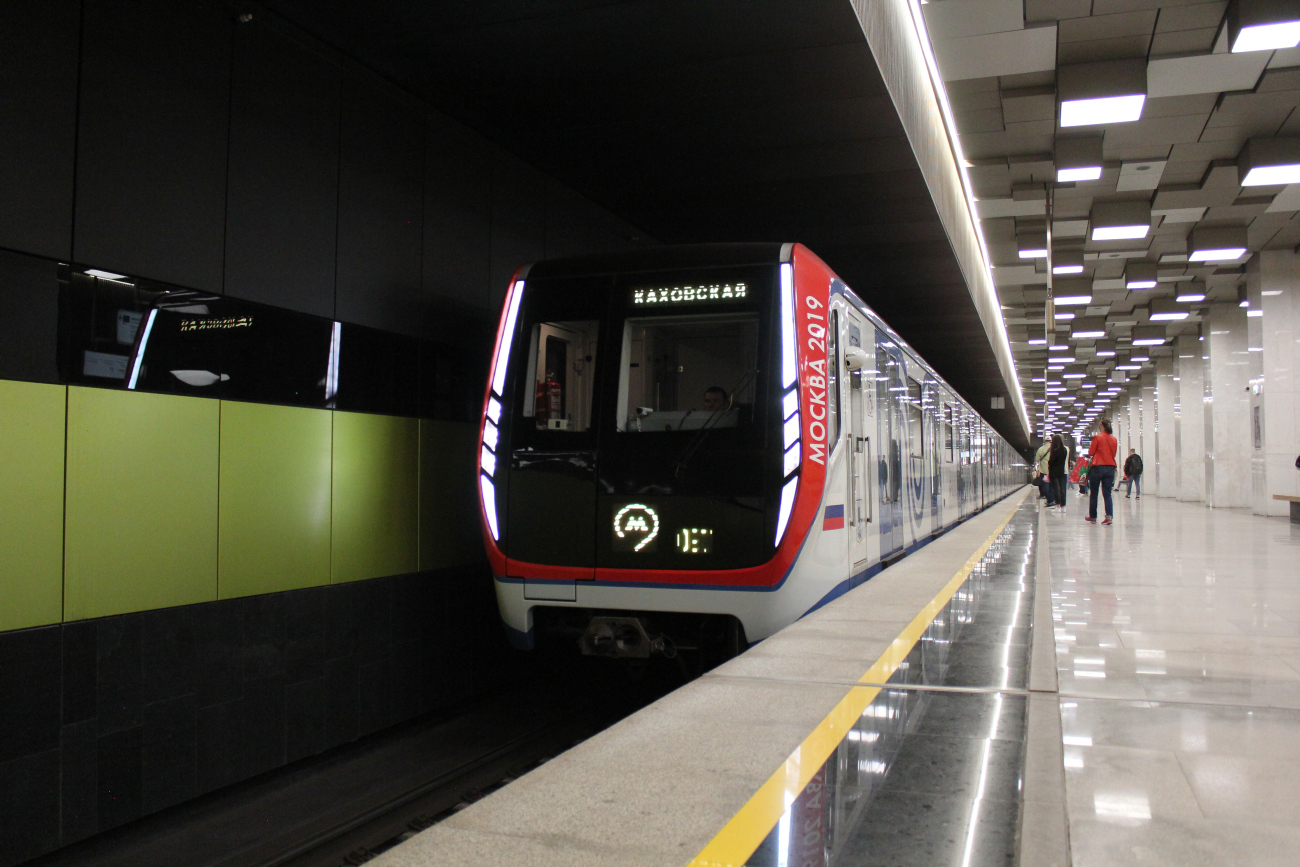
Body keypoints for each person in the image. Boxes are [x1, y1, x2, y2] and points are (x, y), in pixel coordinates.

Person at [1086, 418, 1119, 525]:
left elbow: (1091, 452)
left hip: (1097, 467)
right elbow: (1113, 454)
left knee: (1094, 493)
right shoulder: (1114, 439)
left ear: (1102, 426)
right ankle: (1109, 516)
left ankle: (1093, 516)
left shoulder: (1097, 437)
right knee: (1107, 493)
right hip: (1110, 467)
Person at [1047, 434, 1068, 511]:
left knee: (1056, 488)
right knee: (1062, 488)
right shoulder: (1064, 450)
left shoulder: (1055, 451)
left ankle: (1058, 505)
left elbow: (1051, 462)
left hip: (1054, 472)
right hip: (1061, 471)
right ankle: (1063, 506)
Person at [1033, 437, 1053, 503]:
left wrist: (1037, 469)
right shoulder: (1053, 449)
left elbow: (1037, 460)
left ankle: (1044, 495)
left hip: (1043, 469)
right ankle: (1050, 497)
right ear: (1051, 441)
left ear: (1044, 441)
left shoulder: (1040, 449)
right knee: (1051, 484)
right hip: (1052, 469)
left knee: (1044, 483)